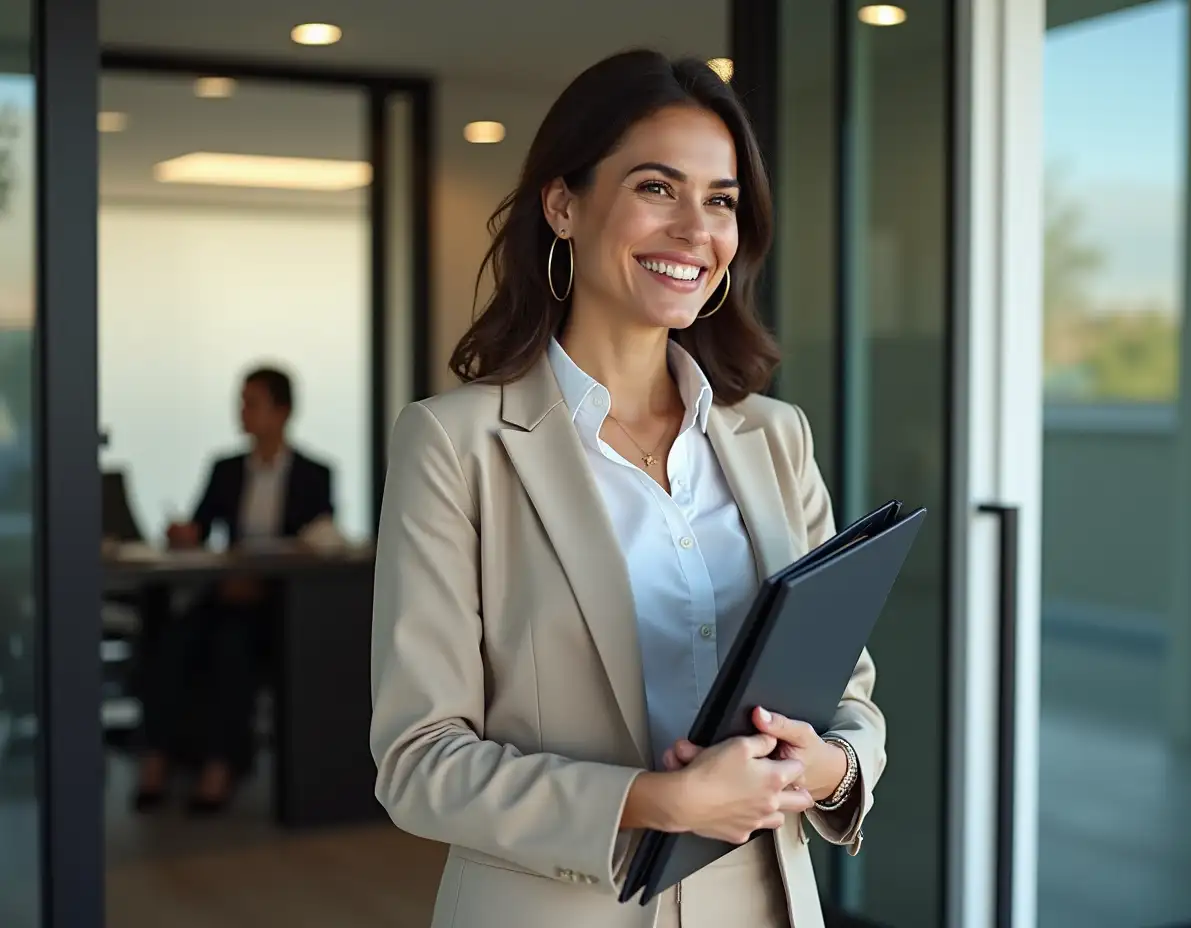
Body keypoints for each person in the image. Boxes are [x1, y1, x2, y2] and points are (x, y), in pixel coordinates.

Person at [370, 50, 885, 928]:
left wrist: (828, 766)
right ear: (563, 205)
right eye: (657, 187)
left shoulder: (775, 436)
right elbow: (419, 763)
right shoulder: (455, 445)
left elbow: (850, 696)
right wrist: (653, 801)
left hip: (764, 903)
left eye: (720, 200)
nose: (695, 231)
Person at [134, 366, 333, 813]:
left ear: (282, 412)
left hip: (276, 605)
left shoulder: (313, 474)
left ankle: (220, 769)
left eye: (251, 402)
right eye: (239, 401)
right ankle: (156, 758)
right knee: (172, 643)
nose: (240, 411)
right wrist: (186, 533)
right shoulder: (225, 469)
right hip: (224, 594)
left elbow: (320, 539)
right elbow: (202, 527)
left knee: (232, 649)